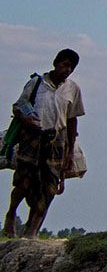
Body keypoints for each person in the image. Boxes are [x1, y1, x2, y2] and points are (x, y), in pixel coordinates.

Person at [4, 49, 84, 239]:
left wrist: (70, 152)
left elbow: (72, 120)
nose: (67, 70)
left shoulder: (73, 89)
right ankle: (11, 214)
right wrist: (26, 119)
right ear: (56, 63)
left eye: (71, 67)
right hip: (32, 137)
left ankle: (32, 231)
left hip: (56, 141)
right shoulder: (36, 83)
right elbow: (18, 107)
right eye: (64, 65)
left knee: (48, 188)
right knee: (24, 182)